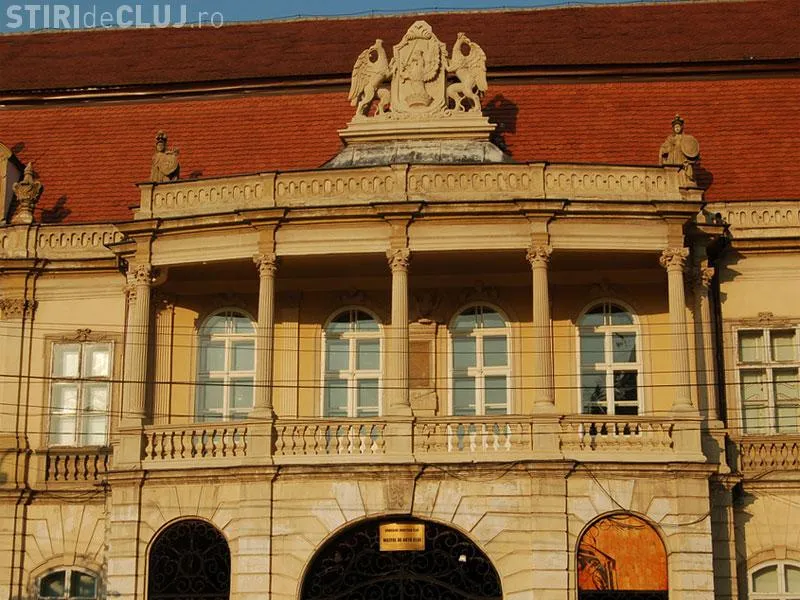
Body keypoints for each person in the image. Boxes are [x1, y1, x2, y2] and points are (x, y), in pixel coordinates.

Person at [659, 115, 699, 184]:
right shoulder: (670, 138)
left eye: (678, 127)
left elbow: (690, 149)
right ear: (673, 129)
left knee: (684, 171)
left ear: (681, 127)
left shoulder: (685, 138)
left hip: (682, 158)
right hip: (673, 159)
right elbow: (664, 148)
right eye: (675, 127)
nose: (677, 128)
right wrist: (664, 149)